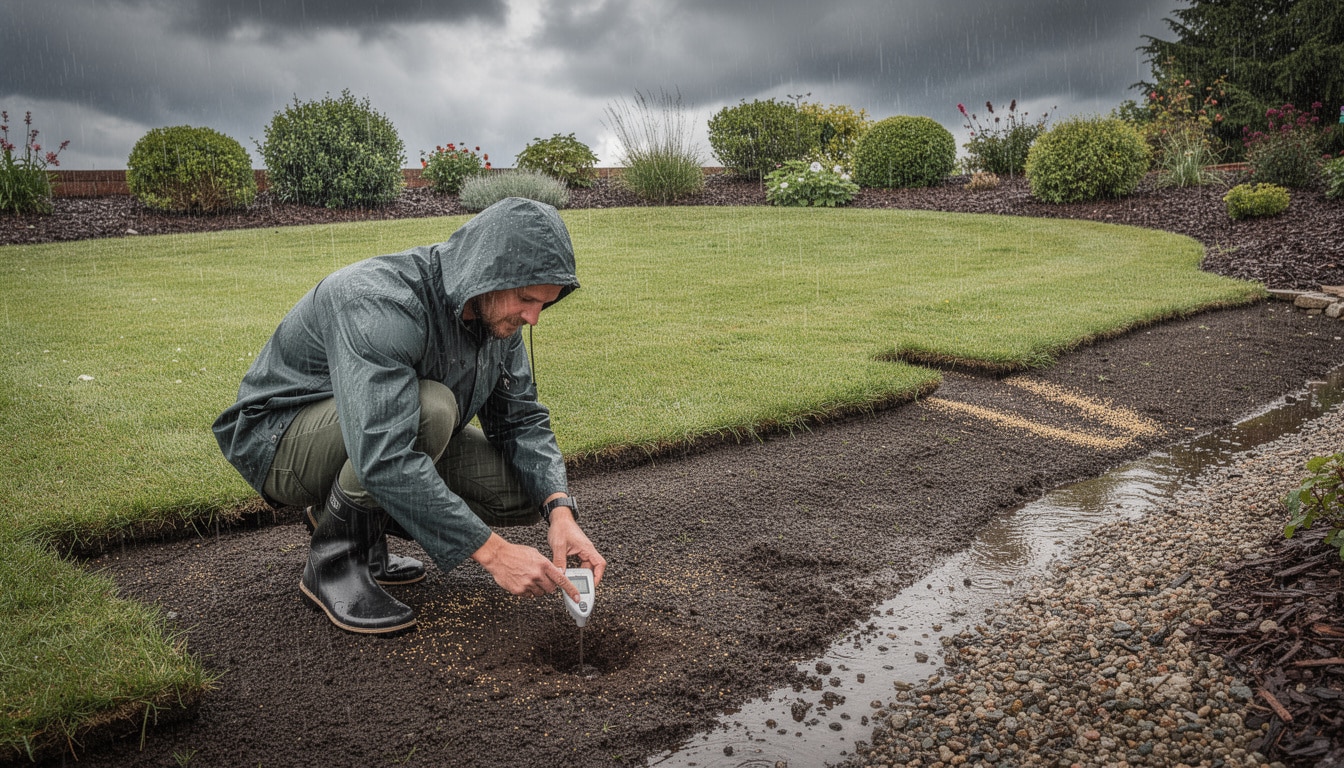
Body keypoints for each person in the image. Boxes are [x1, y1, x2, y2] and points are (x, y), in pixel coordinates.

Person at [212, 197, 606, 635]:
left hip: (377, 431)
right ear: (487, 275)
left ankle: (351, 519)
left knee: (520, 490)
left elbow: (521, 420)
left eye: (544, 304)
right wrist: (493, 553)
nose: (533, 317)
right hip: (276, 439)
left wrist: (560, 511)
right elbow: (383, 453)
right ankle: (333, 564)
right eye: (527, 299)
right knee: (430, 410)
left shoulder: (501, 317)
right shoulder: (379, 300)